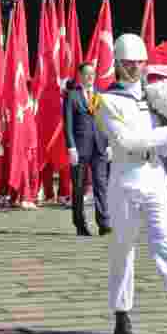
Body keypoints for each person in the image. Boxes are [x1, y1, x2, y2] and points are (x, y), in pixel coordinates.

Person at [94, 33, 167, 334]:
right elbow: (128, 141)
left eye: (139, 62)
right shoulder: (105, 100)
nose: (134, 68)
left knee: (164, 238)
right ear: (117, 64)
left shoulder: (154, 99)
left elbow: (160, 145)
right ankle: (122, 320)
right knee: (124, 251)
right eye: (128, 63)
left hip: (155, 176)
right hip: (126, 179)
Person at [65, 62, 111, 236]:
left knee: (101, 185)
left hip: (99, 147)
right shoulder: (73, 96)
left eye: (93, 74)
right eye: (87, 74)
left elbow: (105, 123)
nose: (90, 77)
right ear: (80, 76)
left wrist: (108, 144)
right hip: (80, 148)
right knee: (79, 187)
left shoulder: (100, 95)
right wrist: (71, 147)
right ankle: (80, 223)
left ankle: (104, 223)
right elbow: (68, 124)